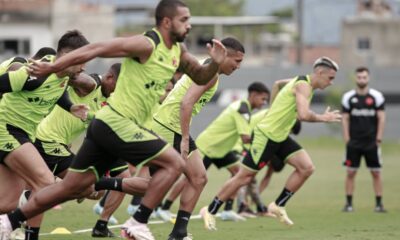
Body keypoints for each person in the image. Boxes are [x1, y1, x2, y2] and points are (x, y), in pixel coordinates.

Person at [0, 1, 227, 239]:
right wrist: (52, 67)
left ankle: (9, 221)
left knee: (72, 188)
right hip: (116, 123)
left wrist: (215, 64)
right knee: (174, 163)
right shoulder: (146, 43)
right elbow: (98, 47)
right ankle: (137, 223)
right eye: (184, 20)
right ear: (167, 22)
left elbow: (201, 77)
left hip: (106, 126)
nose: (189, 25)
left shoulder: (178, 52)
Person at [200, 56, 342, 230]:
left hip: (280, 136)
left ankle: (278, 205)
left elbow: (277, 84)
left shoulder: (301, 81)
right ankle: (210, 209)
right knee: (243, 177)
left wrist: (273, 109)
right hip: (266, 136)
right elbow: (303, 115)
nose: (331, 82)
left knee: (306, 167)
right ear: (320, 72)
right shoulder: (303, 86)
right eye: (330, 78)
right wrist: (324, 118)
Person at [150, 37, 244, 239]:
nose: (238, 67)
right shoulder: (210, 73)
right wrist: (184, 138)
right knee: (152, 183)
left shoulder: (209, 70)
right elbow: (186, 103)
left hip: (170, 126)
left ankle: (178, 232)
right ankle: (127, 211)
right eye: (237, 61)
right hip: (170, 128)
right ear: (224, 54)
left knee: (198, 178)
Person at [0, 30, 89, 240]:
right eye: (81, 61)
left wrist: (71, 107)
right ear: (67, 57)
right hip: (6, 130)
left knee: (7, 203)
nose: (84, 67)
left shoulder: (63, 77)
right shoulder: (36, 72)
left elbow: (57, 91)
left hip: (23, 135)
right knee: (46, 183)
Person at [159, 82, 269, 223]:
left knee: (239, 175)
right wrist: (268, 141)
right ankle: (165, 207)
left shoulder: (244, 108)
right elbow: (246, 138)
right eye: (263, 99)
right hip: (209, 146)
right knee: (190, 178)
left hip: (222, 149)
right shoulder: (241, 109)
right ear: (253, 95)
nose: (264, 103)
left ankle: (228, 210)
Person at [341, 66, 386, 213]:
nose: (362, 79)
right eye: (359, 77)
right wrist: (347, 138)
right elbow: (345, 119)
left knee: (376, 173)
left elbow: (381, 118)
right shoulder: (348, 97)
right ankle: (348, 204)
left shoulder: (376, 97)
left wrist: (378, 138)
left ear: (368, 78)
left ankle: (379, 205)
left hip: (371, 142)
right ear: (355, 78)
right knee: (350, 172)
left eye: (364, 77)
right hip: (354, 142)